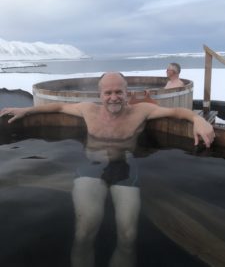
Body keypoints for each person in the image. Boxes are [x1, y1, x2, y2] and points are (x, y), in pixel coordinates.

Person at [0, 72, 215, 267]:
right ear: (100, 95)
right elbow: (56, 108)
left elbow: (176, 111)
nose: (114, 97)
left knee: (128, 236)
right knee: (84, 233)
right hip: (92, 168)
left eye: (118, 92)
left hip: (125, 168)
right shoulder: (88, 109)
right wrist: (26, 109)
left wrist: (198, 119)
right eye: (108, 92)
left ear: (127, 93)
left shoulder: (142, 111)